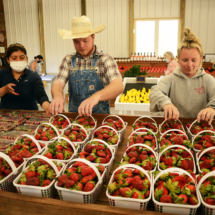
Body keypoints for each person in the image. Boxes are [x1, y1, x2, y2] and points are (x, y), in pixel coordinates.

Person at [49, 16, 123, 116]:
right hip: (75, 118)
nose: (81, 46)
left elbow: (118, 86)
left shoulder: (105, 59)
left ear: (93, 37)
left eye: (85, 41)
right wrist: (57, 95)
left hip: (100, 117)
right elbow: (58, 83)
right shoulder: (68, 60)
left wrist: (96, 97)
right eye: (76, 42)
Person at [149, 27, 215, 124]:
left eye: (194, 60)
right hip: (174, 131)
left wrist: (212, 108)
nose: (189, 65)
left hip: (201, 131)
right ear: (178, 59)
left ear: (201, 59)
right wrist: (166, 103)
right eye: (185, 60)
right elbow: (155, 91)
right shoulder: (171, 79)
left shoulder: (207, 80)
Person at [0, 43, 50, 112]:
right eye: (14, 58)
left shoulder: (33, 76)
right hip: (6, 117)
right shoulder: (2, 73)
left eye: (22, 58)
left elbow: (41, 95)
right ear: (8, 60)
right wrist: (4, 90)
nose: (18, 61)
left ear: (26, 59)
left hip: (30, 116)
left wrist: (47, 108)